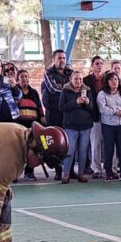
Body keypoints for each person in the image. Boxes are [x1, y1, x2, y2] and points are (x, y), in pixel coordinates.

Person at [41, 49, 74, 180]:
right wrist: (68, 90)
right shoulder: (48, 73)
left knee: (69, 143)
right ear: (54, 60)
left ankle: (69, 170)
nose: (62, 61)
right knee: (55, 144)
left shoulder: (70, 73)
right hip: (53, 113)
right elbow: (53, 89)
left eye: (64, 58)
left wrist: (66, 89)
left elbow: (77, 88)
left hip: (68, 114)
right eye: (59, 58)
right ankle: (58, 170)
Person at [58, 70, 96, 183]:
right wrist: (76, 102)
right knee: (70, 150)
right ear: (71, 80)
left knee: (83, 151)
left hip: (85, 126)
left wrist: (88, 102)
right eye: (76, 79)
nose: (78, 81)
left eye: (80, 79)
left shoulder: (87, 90)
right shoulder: (65, 91)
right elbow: (61, 107)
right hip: (70, 126)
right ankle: (65, 174)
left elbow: (92, 108)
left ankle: (81, 174)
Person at [97, 71, 121, 181]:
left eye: (116, 79)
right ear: (107, 81)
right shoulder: (102, 94)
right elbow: (102, 108)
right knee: (109, 150)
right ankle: (108, 172)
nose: (114, 82)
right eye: (111, 79)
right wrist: (114, 111)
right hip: (108, 125)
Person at [15, 69, 45, 181]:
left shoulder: (34, 92)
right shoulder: (14, 92)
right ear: (18, 79)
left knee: (31, 149)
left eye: (26, 76)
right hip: (18, 125)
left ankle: (29, 172)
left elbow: (39, 108)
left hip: (32, 125)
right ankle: (15, 173)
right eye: (22, 76)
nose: (24, 79)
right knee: (18, 150)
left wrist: (42, 122)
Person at [83, 56, 106, 179]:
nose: (99, 65)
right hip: (94, 116)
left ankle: (110, 168)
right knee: (96, 143)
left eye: (101, 63)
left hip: (108, 116)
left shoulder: (108, 79)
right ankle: (97, 169)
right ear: (92, 66)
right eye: (97, 63)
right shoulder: (85, 80)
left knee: (108, 144)